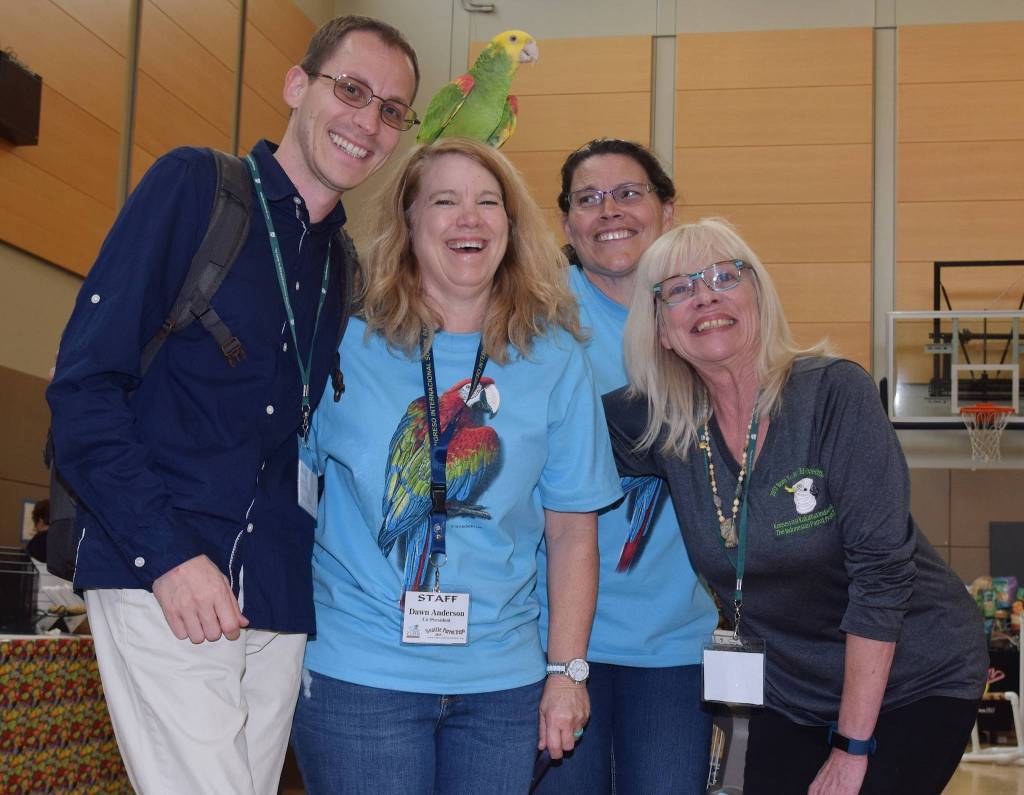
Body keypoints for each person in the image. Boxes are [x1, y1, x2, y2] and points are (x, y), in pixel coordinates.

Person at [45, 16, 419, 794]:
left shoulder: (342, 265)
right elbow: (84, 387)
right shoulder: (195, 187)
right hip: (165, 564)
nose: (368, 121)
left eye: (391, 110)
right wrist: (168, 558)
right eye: (351, 89)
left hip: (275, 590)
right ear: (296, 85)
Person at [603, 218, 988, 795]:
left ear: (758, 295)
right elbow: (548, 431)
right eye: (679, 289)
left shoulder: (833, 394)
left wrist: (852, 747)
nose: (706, 296)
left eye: (724, 277)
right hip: (792, 692)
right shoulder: (665, 429)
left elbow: (883, 575)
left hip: (914, 677)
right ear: (660, 329)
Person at [290, 137, 623, 795]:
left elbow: (571, 533)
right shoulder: (344, 342)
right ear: (409, 222)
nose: (469, 218)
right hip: (359, 672)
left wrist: (567, 672)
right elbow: (289, 488)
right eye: (445, 201)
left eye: (488, 202)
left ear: (511, 226)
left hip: (502, 684)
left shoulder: (555, 360)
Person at [535, 139, 718, 794]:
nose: (609, 210)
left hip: (671, 641)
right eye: (588, 199)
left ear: (668, 210)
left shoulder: (706, 312)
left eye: (628, 193)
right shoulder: (535, 314)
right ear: (566, 223)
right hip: (548, 636)